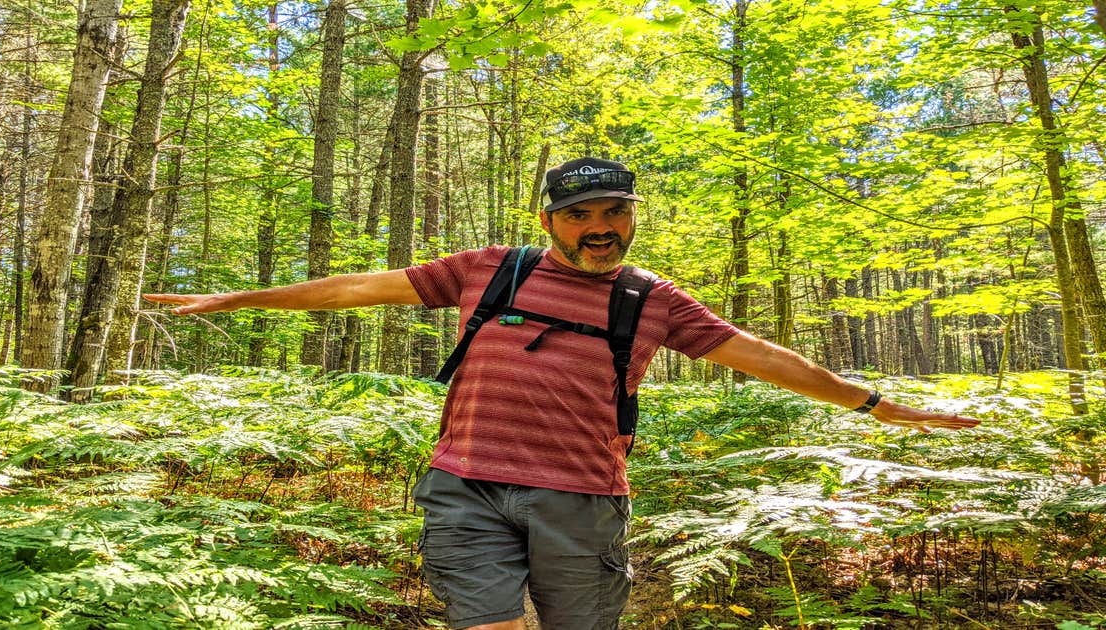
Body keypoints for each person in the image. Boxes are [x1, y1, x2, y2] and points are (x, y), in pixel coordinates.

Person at [145, 157, 979, 630]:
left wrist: (871, 402)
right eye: (581, 213)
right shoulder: (489, 270)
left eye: (614, 210)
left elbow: (758, 354)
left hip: (582, 498)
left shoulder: (655, 299)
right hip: (466, 485)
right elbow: (359, 289)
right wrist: (239, 298)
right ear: (551, 221)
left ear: (633, 217)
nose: (599, 225)